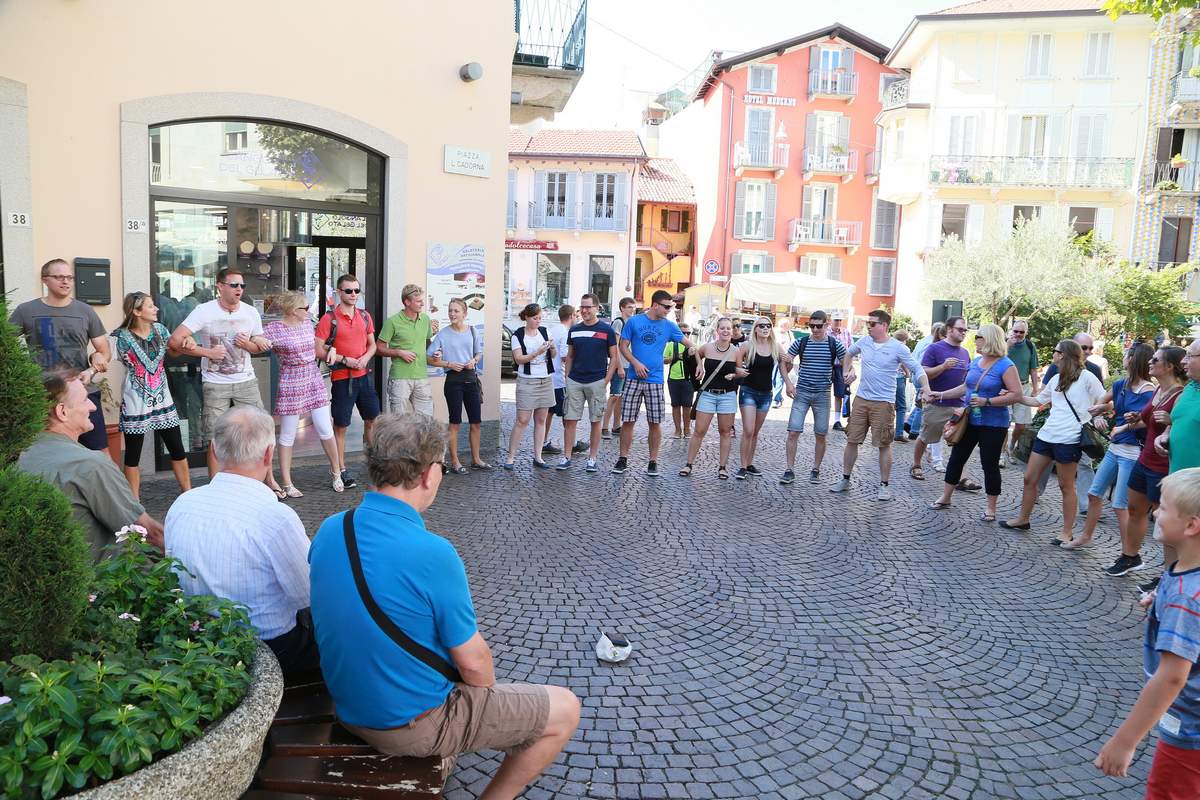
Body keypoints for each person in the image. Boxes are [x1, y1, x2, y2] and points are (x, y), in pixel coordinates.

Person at [308, 413, 581, 800]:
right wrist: (483, 702)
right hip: (403, 724)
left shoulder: (332, 527)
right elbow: (474, 665)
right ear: (429, 474)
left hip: (349, 705)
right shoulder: (434, 552)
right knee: (565, 709)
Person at [165, 406, 318, 679]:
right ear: (269, 454)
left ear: (212, 450)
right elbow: (309, 593)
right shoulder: (276, 517)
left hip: (199, 643)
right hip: (273, 650)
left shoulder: (181, 505)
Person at [1094, 467, 1200, 795]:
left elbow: (1171, 677)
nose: (1155, 511)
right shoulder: (1183, 573)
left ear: (1191, 525)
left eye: (1164, 507)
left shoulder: (1186, 596)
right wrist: (1159, 599)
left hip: (1188, 731)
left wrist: (1125, 741)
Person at [18, 369, 164, 558]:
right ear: (62, 411)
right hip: (102, 580)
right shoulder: (91, 464)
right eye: (86, 399)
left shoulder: (17, 457)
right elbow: (150, 534)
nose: (93, 407)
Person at [168, 267, 275, 483]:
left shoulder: (249, 312)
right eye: (234, 285)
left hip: (246, 381)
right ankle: (214, 485)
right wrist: (206, 352)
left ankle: (269, 481)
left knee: (262, 431)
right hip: (215, 384)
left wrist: (251, 345)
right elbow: (174, 342)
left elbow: (257, 346)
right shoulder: (204, 311)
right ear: (220, 286)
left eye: (242, 285)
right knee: (215, 438)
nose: (239, 289)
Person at [1000, 340, 1107, 544]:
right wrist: (1015, 396)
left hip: (1070, 438)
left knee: (1065, 485)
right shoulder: (1056, 378)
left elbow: (1105, 399)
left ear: (1064, 355)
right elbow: (1038, 401)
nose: (1053, 355)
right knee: (1029, 478)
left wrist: (1099, 411)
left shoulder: (1087, 378)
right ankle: (1023, 519)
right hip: (1047, 435)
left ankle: (1066, 532)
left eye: (1056, 351)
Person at [1101, 346, 1188, 578]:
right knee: (1134, 509)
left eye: (1155, 359)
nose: (1150, 361)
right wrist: (1134, 420)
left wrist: (1171, 421)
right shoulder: (1159, 389)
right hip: (1145, 459)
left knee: (1164, 522)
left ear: (1169, 366)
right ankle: (1130, 557)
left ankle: (1166, 576)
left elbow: (1181, 428)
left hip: (1163, 466)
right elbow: (1149, 422)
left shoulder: (1180, 394)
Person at [10, 258, 111, 451]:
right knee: (44, 451)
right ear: (44, 280)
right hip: (42, 395)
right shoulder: (26, 310)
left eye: (69, 277)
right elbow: (5, 343)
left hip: (82, 393)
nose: (65, 281)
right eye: (59, 277)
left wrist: (92, 368)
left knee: (98, 451)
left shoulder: (85, 311)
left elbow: (104, 351)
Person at [926, 325, 1024, 522]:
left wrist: (987, 401)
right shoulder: (977, 361)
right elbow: (966, 387)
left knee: (989, 464)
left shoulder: (1006, 365)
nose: (974, 339)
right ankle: (946, 497)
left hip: (994, 424)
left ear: (989, 339)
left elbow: (1017, 394)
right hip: (970, 419)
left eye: (978, 336)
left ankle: (991, 508)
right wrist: (941, 395)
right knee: (956, 457)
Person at [831, 309, 928, 501]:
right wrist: (846, 372)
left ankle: (884, 485)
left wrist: (926, 387)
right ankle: (845, 479)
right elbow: (848, 354)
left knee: (883, 444)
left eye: (872, 324)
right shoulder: (865, 341)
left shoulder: (898, 347)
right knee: (852, 440)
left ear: (884, 326)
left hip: (884, 402)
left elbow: (917, 368)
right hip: (861, 399)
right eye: (868, 323)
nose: (868, 326)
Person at [1070, 343, 1156, 550]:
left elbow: (1144, 420)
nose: (1124, 358)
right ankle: (1085, 537)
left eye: (1127, 355)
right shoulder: (1121, 384)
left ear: (1134, 359)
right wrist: (1101, 408)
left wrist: (1123, 424)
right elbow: (1106, 399)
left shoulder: (1148, 390)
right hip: (1115, 449)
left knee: (1120, 505)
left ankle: (1129, 553)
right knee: (1093, 493)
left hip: (1132, 452)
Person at [111, 291, 190, 498]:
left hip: (162, 397)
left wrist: (186, 342)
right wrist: (94, 360)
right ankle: (135, 502)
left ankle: (188, 493)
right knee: (133, 454)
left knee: (177, 447)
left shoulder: (161, 330)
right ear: (136, 311)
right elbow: (103, 354)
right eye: (150, 306)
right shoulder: (119, 337)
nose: (156, 309)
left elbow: (173, 352)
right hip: (135, 399)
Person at [263, 291, 342, 495]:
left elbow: (318, 346)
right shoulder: (274, 328)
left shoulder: (307, 324)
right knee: (288, 434)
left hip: (313, 376)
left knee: (325, 428)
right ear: (292, 310)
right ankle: (287, 482)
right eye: (305, 308)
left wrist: (331, 350)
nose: (308, 311)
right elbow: (258, 343)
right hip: (291, 379)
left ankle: (337, 473)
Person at [614, 290, 692, 476]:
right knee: (628, 421)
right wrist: (635, 363)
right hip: (633, 378)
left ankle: (653, 461)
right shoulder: (634, 321)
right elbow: (622, 346)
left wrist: (698, 353)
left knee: (655, 422)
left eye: (671, 307)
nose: (669, 310)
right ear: (655, 305)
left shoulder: (669, 325)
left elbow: (688, 343)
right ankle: (623, 458)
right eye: (667, 306)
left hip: (655, 380)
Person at [315, 274, 379, 490]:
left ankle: (373, 462)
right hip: (343, 379)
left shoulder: (365, 316)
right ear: (339, 292)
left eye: (356, 291)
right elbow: (318, 349)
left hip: (364, 377)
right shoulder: (329, 319)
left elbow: (373, 345)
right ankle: (341, 469)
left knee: (372, 419)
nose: (353, 295)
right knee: (341, 426)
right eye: (348, 291)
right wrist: (344, 359)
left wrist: (365, 358)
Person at [1034, 331, 1103, 513]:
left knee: (1084, 466)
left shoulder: (1092, 371)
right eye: (1083, 348)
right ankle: (1036, 492)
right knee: (1045, 463)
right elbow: (1043, 396)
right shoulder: (1054, 370)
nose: (1088, 351)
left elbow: (1101, 399)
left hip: (1079, 431)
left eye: (1090, 348)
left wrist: (1100, 415)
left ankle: (1085, 505)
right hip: (1054, 428)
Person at [780, 310, 843, 484]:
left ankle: (816, 469)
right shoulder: (802, 342)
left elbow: (847, 361)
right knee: (793, 432)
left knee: (821, 434)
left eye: (819, 326)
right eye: (812, 326)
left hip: (823, 394)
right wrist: (788, 384)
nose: (815, 329)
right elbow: (784, 363)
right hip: (802, 392)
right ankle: (789, 469)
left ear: (826, 324)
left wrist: (850, 372)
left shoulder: (833, 344)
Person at [679, 317, 747, 479]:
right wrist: (698, 363)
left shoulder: (736, 351)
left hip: (727, 396)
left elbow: (741, 374)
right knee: (699, 431)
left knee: (725, 432)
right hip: (708, 394)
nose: (725, 331)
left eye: (728, 329)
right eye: (722, 328)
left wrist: (735, 375)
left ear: (732, 331)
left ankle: (722, 467)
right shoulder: (707, 347)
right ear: (717, 330)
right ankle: (688, 464)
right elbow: (691, 356)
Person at [427, 298, 488, 473]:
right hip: (453, 382)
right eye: (450, 310)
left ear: (464, 313)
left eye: (456, 311)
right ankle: (455, 462)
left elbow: (479, 353)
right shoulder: (444, 334)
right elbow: (430, 358)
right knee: (455, 423)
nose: (452, 314)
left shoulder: (473, 331)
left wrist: (473, 361)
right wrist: (448, 364)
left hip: (471, 379)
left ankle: (476, 459)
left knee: (476, 422)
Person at [558, 294, 618, 472]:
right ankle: (566, 456)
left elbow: (614, 357)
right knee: (570, 420)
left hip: (596, 381)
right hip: (575, 380)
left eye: (588, 307)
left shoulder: (606, 330)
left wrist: (606, 380)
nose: (584, 310)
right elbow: (570, 355)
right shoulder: (574, 329)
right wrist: (568, 378)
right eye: (582, 307)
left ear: (597, 308)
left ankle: (592, 458)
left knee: (595, 421)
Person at [910, 318, 968, 482]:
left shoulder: (964, 352)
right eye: (960, 329)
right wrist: (943, 367)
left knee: (960, 442)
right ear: (949, 329)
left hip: (958, 404)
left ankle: (962, 477)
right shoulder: (934, 348)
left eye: (965, 330)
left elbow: (967, 378)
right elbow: (923, 373)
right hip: (936, 403)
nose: (963, 333)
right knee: (926, 436)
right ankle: (916, 465)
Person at [504, 303, 557, 470]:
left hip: (545, 380)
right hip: (527, 381)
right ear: (526, 317)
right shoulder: (518, 335)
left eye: (540, 318)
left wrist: (552, 347)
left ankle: (538, 456)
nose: (538, 321)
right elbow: (518, 359)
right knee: (522, 420)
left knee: (541, 420)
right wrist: (537, 353)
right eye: (535, 318)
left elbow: (553, 355)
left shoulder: (545, 332)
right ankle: (511, 457)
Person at [376, 283, 437, 417]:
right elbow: (378, 348)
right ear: (407, 302)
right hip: (400, 378)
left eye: (422, 301)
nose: (422, 304)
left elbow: (427, 343)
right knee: (399, 423)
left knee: (426, 421)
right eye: (419, 301)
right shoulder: (392, 322)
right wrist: (398, 352)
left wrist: (436, 352)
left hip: (422, 376)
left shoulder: (425, 319)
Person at [736, 316, 784, 479]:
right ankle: (742, 466)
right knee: (748, 430)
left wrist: (789, 382)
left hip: (766, 394)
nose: (765, 328)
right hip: (748, 391)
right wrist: (738, 371)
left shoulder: (775, 346)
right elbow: (735, 362)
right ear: (755, 329)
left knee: (755, 432)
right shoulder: (747, 345)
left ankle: (749, 464)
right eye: (761, 326)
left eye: (768, 326)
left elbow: (784, 365)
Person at [1157, 339, 1200, 474]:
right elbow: (1176, 421)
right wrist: (1165, 434)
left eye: (1189, 355)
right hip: (1176, 480)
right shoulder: (1190, 388)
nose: (1183, 361)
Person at [909, 322, 947, 470]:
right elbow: (922, 369)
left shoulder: (923, 342)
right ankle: (933, 459)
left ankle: (931, 453)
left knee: (932, 426)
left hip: (937, 391)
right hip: (931, 390)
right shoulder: (931, 348)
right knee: (931, 426)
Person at [1004, 319, 1041, 466]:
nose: (1018, 334)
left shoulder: (1030, 346)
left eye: (1022, 332)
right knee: (1004, 423)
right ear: (1011, 330)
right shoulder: (1004, 344)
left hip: (1024, 387)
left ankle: (1011, 447)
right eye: (1016, 331)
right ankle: (1001, 454)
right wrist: (1007, 345)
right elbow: (996, 361)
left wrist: (1036, 389)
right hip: (1005, 388)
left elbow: (1033, 369)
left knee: (1020, 425)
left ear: (1026, 332)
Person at [541, 304, 573, 456]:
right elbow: (565, 357)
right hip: (559, 378)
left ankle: (543, 441)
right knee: (567, 412)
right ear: (571, 316)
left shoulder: (553, 329)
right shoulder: (565, 332)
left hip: (550, 377)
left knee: (549, 412)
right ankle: (571, 443)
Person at [601, 297, 636, 440]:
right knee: (614, 395)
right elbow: (614, 347)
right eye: (629, 307)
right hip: (619, 365)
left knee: (621, 396)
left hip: (629, 365)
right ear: (622, 308)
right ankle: (604, 427)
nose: (632, 309)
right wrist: (619, 367)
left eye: (633, 307)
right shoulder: (619, 322)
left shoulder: (631, 322)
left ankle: (616, 426)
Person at [664, 322, 696, 439]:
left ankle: (687, 430)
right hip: (673, 378)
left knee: (687, 406)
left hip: (688, 380)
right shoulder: (671, 345)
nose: (686, 335)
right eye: (683, 333)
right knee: (675, 405)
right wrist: (675, 357)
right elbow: (663, 360)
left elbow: (699, 361)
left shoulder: (692, 345)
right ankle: (677, 430)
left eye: (688, 333)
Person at [829, 311, 854, 430]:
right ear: (831, 320)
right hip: (827, 366)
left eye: (840, 320)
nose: (838, 322)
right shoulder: (826, 331)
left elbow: (851, 351)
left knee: (839, 394)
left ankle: (836, 421)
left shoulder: (846, 332)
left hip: (841, 367)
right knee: (822, 392)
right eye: (836, 320)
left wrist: (850, 368)